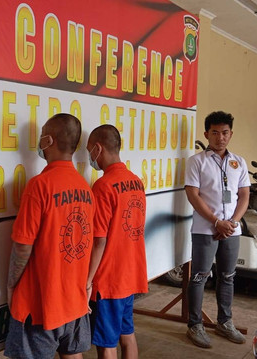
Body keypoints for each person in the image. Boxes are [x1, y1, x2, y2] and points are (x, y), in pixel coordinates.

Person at [5, 113, 95, 359]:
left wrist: (12, 285)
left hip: (40, 302)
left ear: (48, 141)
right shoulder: (85, 188)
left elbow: (23, 245)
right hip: (74, 301)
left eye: (42, 134)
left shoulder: (39, 186)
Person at [184, 111, 250, 348]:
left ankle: (225, 322)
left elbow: (244, 195)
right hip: (205, 229)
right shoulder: (197, 161)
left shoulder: (239, 162)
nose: (220, 138)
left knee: (228, 277)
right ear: (206, 134)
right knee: (200, 276)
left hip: (232, 230)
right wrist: (216, 221)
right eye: (214, 133)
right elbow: (193, 194)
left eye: (224, 133)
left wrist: (231, 222)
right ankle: (195, 325)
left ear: (230, 134)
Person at [85, 125, 148, 359]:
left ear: (98, 148)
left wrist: (88, 280)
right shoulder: (136, 181)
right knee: (127, 334)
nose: (90, 157)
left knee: (106, 343)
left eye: (90, 150)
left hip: (109, 279)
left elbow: (99, 240)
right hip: (131, 274)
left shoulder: (103, 186)